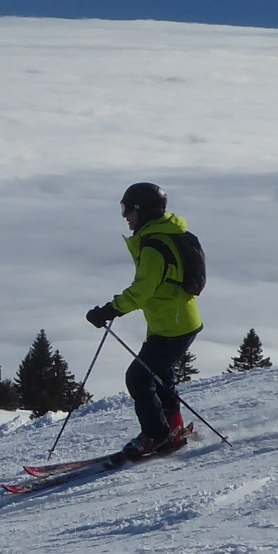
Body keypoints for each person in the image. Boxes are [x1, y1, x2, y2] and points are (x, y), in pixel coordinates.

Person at [86, 181, 204, 460]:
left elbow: (141, 291)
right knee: (160, 377)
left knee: (138, 378)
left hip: (172, 327)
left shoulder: (154, 246)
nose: (125, 217)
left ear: (143, 210)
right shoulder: (164, 235)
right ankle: (172, 428)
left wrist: (109, 310)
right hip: (176, 323)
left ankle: (157, 435)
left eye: (128, 210)